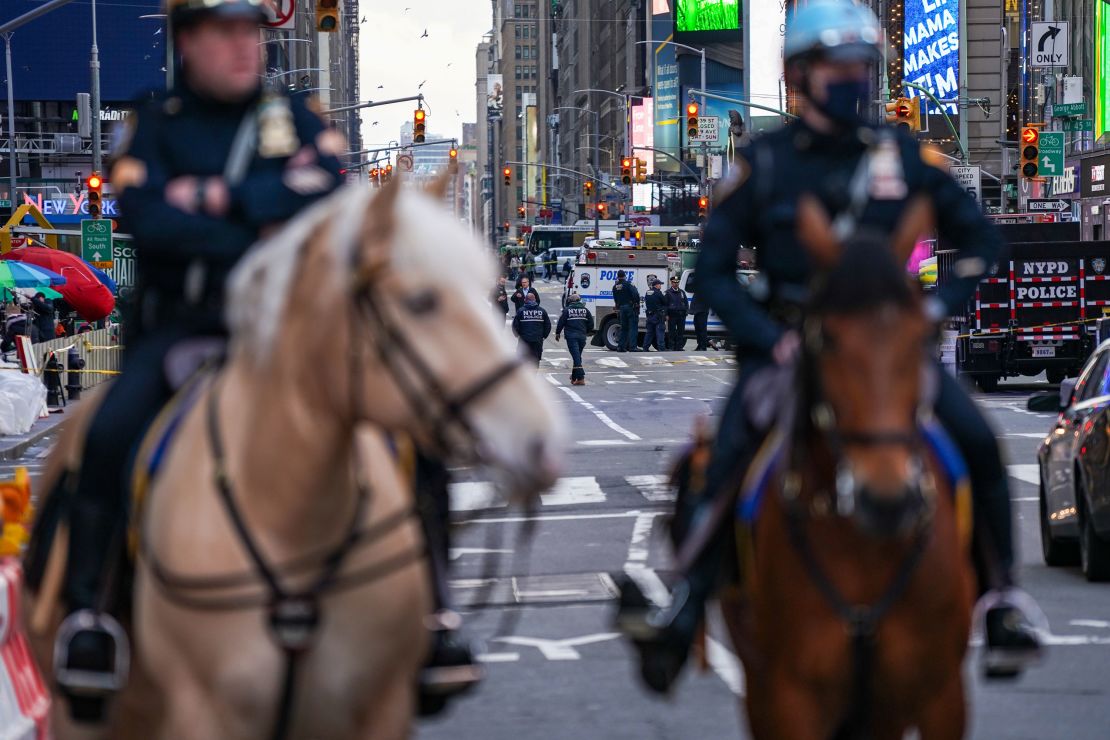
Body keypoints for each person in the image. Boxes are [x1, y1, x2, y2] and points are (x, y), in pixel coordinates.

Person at [626, 0, 1041, 690]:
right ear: (797, 75)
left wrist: (934, 309)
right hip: (789, 351)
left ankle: (1002, 600)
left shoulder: (907, 157)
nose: (853, 79)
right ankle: (687, 603)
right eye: (837, 66)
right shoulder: (764, 165)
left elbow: (981, 239)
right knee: (723, 458)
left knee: (977, 440)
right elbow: (710, 273)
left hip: (886, 357)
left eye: (862, 66)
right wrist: (770, 339)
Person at [30, 0, 346, 719]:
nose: (244, 47)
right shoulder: (154, 123)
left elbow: (324, 194)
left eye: (252, 32)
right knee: (106, 437)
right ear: (189, 41)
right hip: (181, 330)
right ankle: (88, 616)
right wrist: (258, 212)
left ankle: (434, 614)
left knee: (397, 428)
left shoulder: (299, 116)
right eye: (224, 32)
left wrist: (208, 197)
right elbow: (149, 220)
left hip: (285, 332)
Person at [555, 292, 594, 385]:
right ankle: (574, 377)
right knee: (577, 357)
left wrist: (558, 333)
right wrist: (586, 331)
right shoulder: (585, 310)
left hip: (571, 337)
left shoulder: (567, 310)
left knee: (576, 357)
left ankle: (581, 378)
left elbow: (561, 322)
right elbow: (591, 323)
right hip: (582, 336)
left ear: (570, 302)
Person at [512, 293, 551, 364]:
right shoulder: (542, 311)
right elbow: (548, 325)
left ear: (525, 300)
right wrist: (544, 336)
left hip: (524, 339)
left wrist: (517, 335)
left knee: (522, 359)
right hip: (537, 339)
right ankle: (534, 374)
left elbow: (515, 325)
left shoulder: (521, 311)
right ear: (535, 300)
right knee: (535, 360)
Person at [612, 269, 640, 352]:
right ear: (624, 276)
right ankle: (633, 347)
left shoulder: (615, 286)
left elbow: (615, 298)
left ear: (617, 276)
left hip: (621, 308)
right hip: (630, 308)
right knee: (633, 328)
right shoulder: (628, 284)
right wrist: (636, 303)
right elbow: (635, 294)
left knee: (623, 328)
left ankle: (621, 347)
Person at [641, 278, 666, 351]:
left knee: (649, 333)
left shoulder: (647, 292)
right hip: (658, 316)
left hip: (649, 315)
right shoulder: (658, 293)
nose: (660, 286)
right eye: (660, 284)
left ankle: (645, 347)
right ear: (656, 285)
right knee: (660, 332)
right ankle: (661, 348)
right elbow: (664, 301)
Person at [664, 275, 689, 350]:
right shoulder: (668, 293)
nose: (676, 284)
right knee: (671, 332)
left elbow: (686, 303)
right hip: (672, 315)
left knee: (680, 332)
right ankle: (671, 347)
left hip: (681, 315)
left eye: (677, 282)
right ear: (671, 283)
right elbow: (665, 305)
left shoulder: (682, 292)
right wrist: (666, 314)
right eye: (674, 282)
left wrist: (686, 311)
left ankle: (679, 347)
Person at [690, 286, 711, 351]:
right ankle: (699, 345)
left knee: (702, 329)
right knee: (697, 329)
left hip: (702, 312)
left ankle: (703, 346)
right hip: (697, 312)